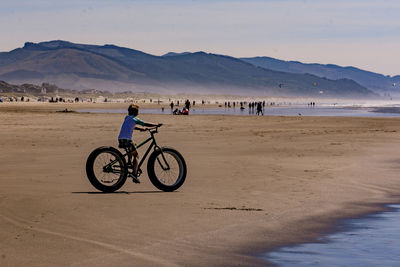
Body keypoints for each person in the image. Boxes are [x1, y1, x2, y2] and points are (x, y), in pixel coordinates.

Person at [118, 104, 161, 183]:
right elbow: (145, 123)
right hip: (127, 140)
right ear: (136, 113)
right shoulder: (135, 119)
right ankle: (134, 174)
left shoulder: (127, 118)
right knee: (137, 156)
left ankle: (129, 162)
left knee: (133, 146)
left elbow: (132, 126)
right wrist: (156, 124)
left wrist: (142, 129)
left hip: (121, 139)